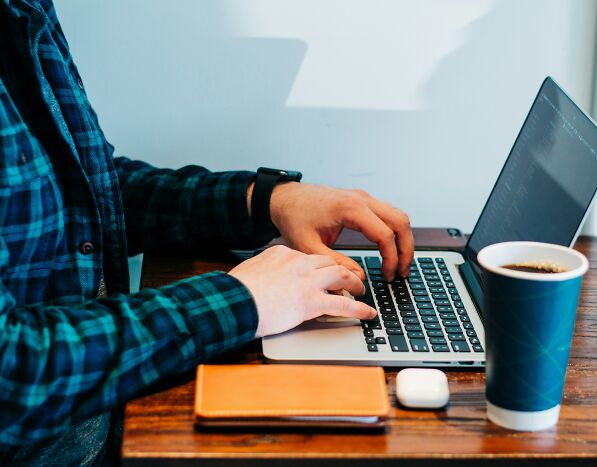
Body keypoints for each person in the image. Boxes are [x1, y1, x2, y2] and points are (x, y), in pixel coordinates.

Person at [0, 0, 414, 464]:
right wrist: (244, 300)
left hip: (104, 411)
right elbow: (12, 375)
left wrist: (268, 199)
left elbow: (82, 195)